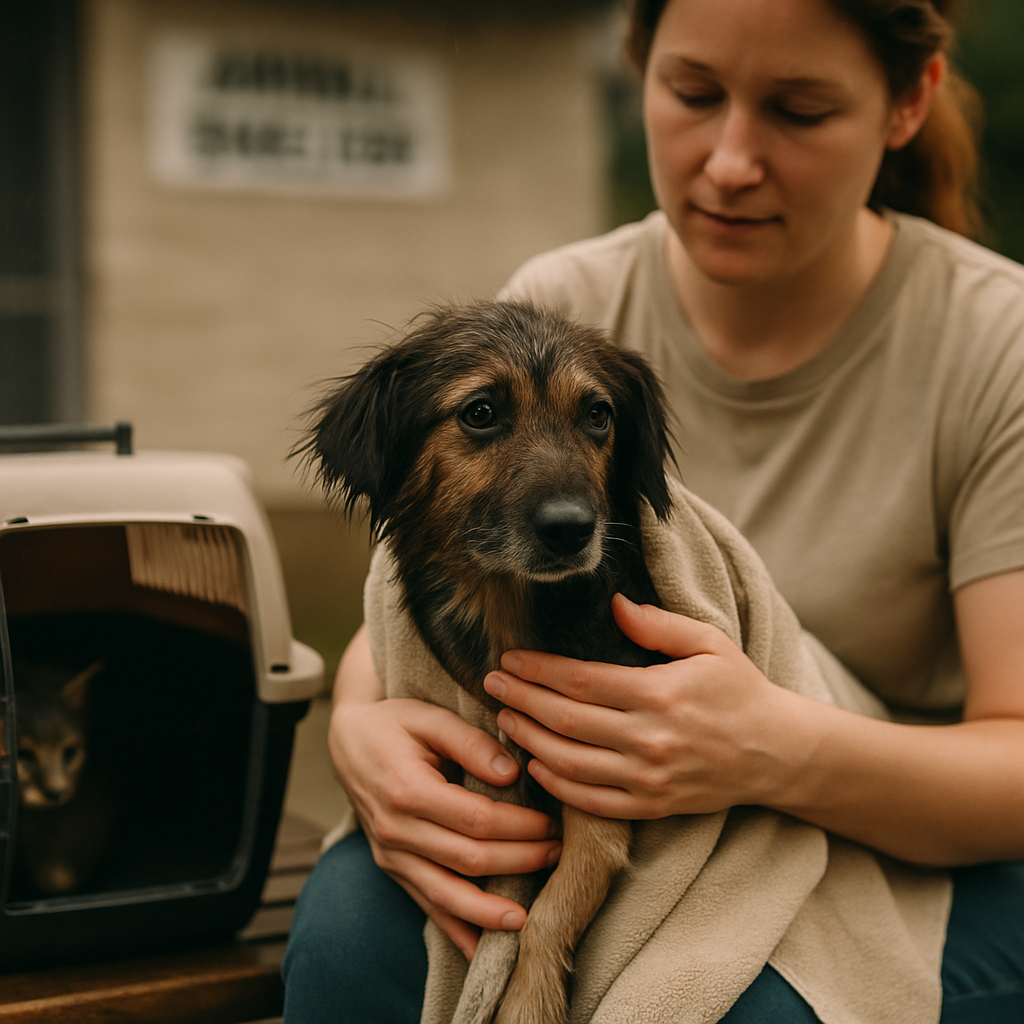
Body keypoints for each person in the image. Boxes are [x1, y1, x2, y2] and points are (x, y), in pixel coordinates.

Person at [282, 0, 1024, 1020]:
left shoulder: (997, 345)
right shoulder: (566, 298)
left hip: (916, 857)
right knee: (346, 946)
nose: (726, 161)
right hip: (578, 800)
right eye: (691, 94)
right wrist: (360, 726)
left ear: (906, 105)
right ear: (636, 68)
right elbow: (426, 569)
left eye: (798, 111)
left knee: (731, 1009)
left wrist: (774, 745)